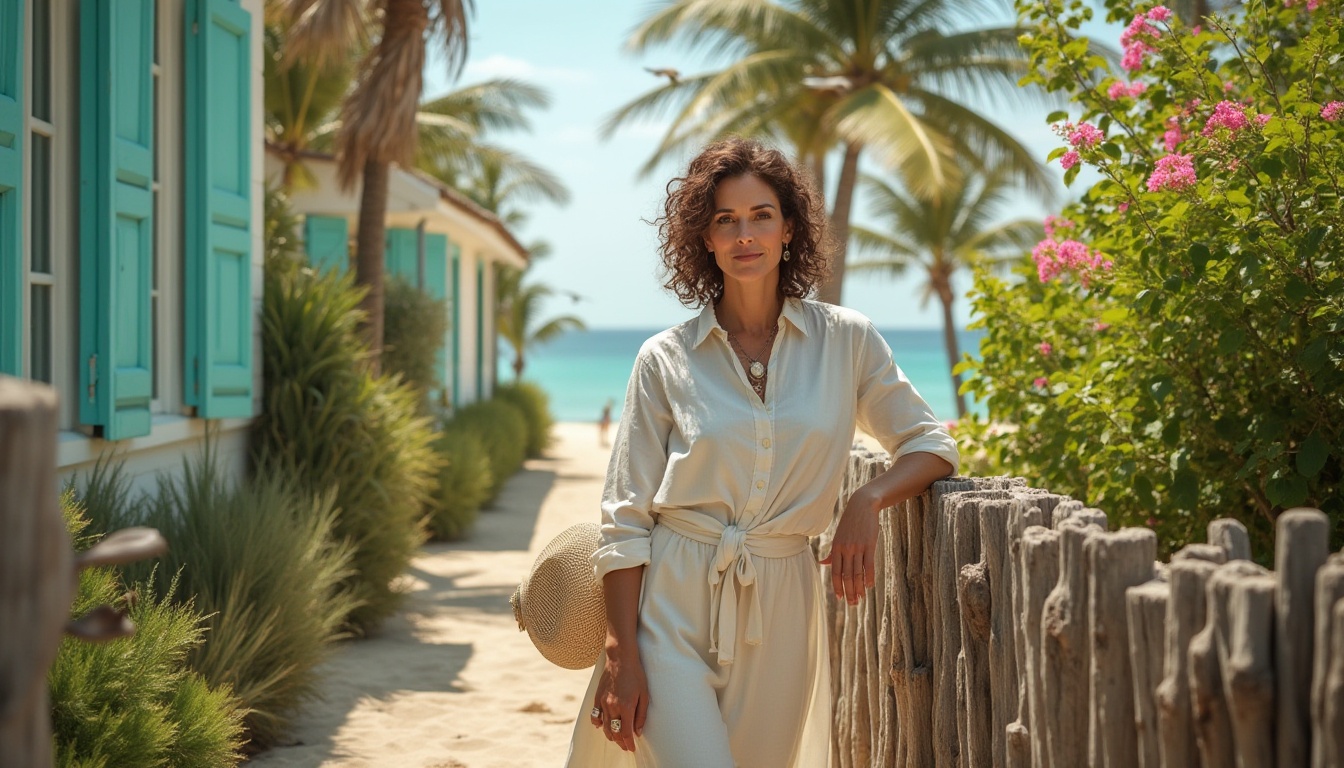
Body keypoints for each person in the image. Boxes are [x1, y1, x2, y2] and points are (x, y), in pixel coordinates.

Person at [565, 137, 959, 767]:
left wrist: (868, 497)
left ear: (788, 230)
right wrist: (621, 654)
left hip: (783, 601)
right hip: (671, 601)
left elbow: (930, 443)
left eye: (761, 216)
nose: (744, 235)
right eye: (725, 220)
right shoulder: (664, 359)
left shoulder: (847, 340)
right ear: (705, 239)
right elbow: (625, 519)